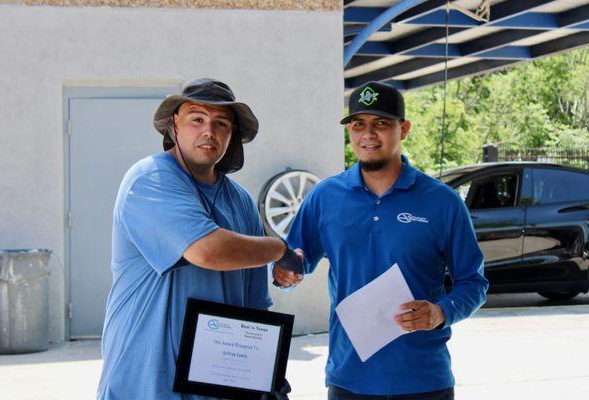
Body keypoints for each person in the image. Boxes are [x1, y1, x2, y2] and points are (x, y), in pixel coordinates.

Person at [274, 81, 488, 400]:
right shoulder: (324, 197)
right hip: (348, 379)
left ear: (404, 130)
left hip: (424, 380)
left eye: (381, 124)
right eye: (358, 125)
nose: (367, 134)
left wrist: (440, 312)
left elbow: (474, 282)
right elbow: (294, 262)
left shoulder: (443, 202)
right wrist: (285, 273)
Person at [98, 78, 299, 400]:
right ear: (174, 125)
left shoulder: (241, 201)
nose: (209, 131)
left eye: (221, 123)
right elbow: (208, 250)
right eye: (197, 119)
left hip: (218, 385)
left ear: (232, 135)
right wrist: (279, 249)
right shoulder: (150, 179)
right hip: (148, 382)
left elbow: (253, 305)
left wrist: (267, 371)